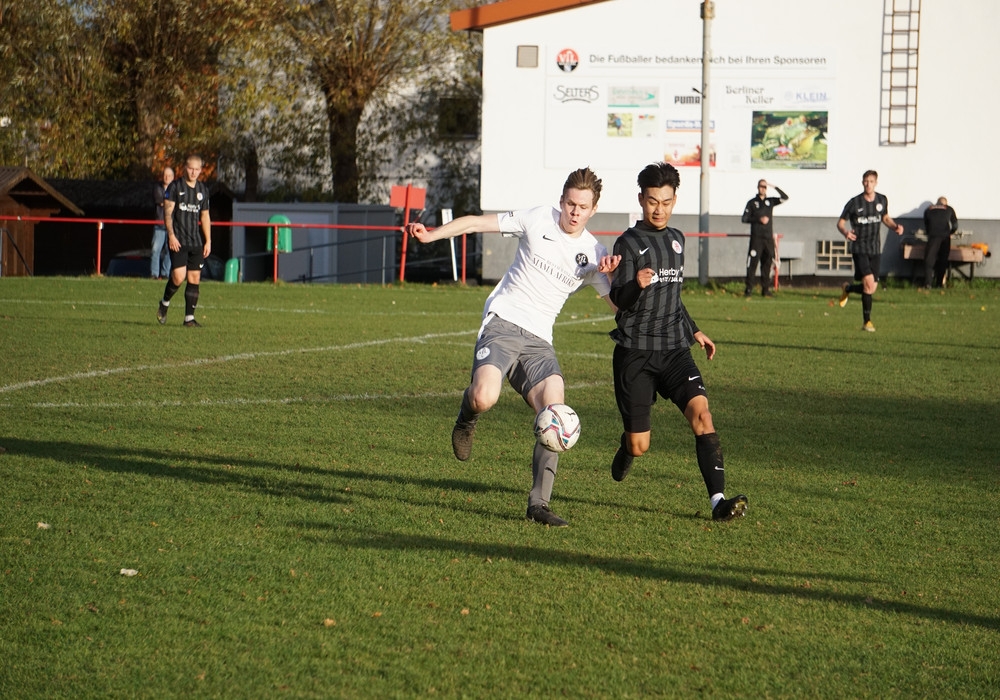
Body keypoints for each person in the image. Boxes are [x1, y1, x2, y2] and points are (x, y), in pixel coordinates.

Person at [404, 168, 620, 527]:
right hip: (503, 322)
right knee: (483, 397)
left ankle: (539, 505)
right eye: (570, 203)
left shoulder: (594, 254)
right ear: (561, 200)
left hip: (539, 341)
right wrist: (432, 235)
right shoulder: (538, 218)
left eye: (583, 207)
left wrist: (615, 276)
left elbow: (618, 305)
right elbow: (476, 222)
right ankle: (466, 419)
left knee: (556, 411)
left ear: (593, 209)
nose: (574, 212)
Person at [608, 162, 748, 523]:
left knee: (703, 415)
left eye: (667, 202)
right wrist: (635, 284)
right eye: (653, 201)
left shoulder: (678, 240)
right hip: (635, 352)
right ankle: (627, 447)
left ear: (675, 200)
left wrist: (694, 330)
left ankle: (718, 502)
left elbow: (673, 296)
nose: (659, 209)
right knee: (640, 445)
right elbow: (618, 299)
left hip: (674, 350)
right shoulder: (628, 243)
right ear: (641, 199)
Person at [836, 170, 904, 332]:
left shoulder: (882, 200)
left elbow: (885, 218)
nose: (868, 184)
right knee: (868, 282)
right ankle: (867, 322)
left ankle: (848, 289)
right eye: (866, 181)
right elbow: (840, 223)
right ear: (862, 183)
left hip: (875, 248)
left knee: (871, 288)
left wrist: (895, 227)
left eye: (871, 181)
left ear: (876, 183)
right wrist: (846, 232)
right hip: (859, 248)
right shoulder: (854, 203)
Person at [157, 154, 211, 327]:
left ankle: (189, 319)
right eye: (190, 169)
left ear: (200, 170)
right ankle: (164, 303)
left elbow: (205, 216)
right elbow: (167, 213)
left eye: (197, 169)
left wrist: (208, 241)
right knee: (179, 277)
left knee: (194, 278)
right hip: (178, 240)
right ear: (185, 168)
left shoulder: (203, 190)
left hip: (196, 241)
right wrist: (171, 235)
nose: (193, 172)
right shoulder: (175, 187)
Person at [741, 179, 788, 297]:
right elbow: (744, 218)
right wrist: (758, 219)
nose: (763, 188)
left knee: (767, 264)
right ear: (758, 187)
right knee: (752, 264)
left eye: (765, 187)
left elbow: (785, 197)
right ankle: (748, 289)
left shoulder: (770, 201)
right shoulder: (752, 203)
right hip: (756, 239)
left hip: (768, 239)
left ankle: (765, 289)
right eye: (761, 186)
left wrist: (774, 186)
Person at [922, 196, 958, 289]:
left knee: (929, 260)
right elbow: (955, 225)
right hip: (945, 237)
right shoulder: (949, 209)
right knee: (943, 260)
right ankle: (939, 284)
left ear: (937, 203)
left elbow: (926, 224)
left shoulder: (928, 209)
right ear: (945, 203)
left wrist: (929, 233)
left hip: (933, 236)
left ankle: (928, 283)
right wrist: (951, 232)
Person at [150, 166, 175, 279]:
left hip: (172, 225)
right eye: (165, 175)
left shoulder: (176, 189)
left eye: (169, 175)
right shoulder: (157, 188)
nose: (167, 177)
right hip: (159, 224)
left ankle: (165, 273)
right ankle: (154, 273)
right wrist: (171, 203)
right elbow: (161, 202)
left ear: (173, 177)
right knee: (156, 250)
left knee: (170, 250)